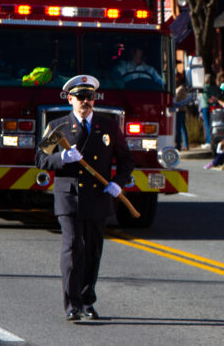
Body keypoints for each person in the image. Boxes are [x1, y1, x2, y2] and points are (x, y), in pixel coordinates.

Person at [35, 75, 134, 322]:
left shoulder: (108, 126)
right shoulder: (59, 127)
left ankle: (87, 300)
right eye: (80, 97)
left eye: (90, 97)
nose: (86, 102)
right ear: (70, 99)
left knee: (92, 251)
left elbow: (126, 160)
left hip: (98, 197)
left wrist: (117, 183)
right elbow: (39, 158)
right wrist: (61, 159)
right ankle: (71, 303)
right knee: (72, 248)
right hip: (70, 197)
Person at [174, 74, 190, 150]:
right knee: (182, 128)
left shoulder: (180, 89)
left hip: (180, 110)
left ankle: (179, 145)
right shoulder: (181, 89)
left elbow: (176, 99)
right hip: (181, 110)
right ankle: (185, 144)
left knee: (180, 128)